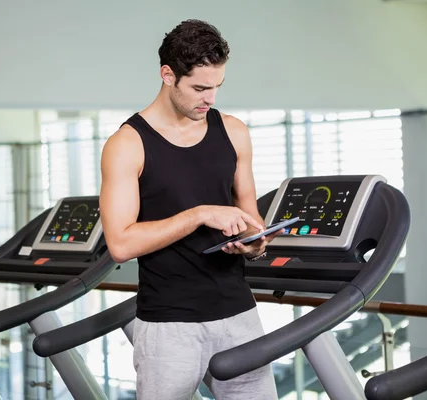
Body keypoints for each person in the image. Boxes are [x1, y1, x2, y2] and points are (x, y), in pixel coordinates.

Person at [99, 19, 281, 400]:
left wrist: (254, 243)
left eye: (217, 87)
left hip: (238, 314)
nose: (209, 98)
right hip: (169, 324)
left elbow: (251, 220)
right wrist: (199, 214)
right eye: (199, 88)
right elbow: (120, 244)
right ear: (168, 75)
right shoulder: (127, 144)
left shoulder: (233, 131)